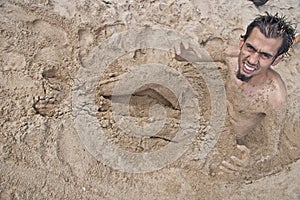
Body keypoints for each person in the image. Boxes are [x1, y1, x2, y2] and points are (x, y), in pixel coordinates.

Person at [173, 12, 297, 172]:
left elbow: (271, 150)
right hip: (209, 105)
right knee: (155, 81)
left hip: (224, 135)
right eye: (250, 48)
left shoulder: (274, 97)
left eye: (265, 55)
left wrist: (250, 162)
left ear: (277, 60)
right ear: (242, 42)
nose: (252, 60)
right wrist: (182, 54)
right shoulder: (231, 56)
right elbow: (192, 56)